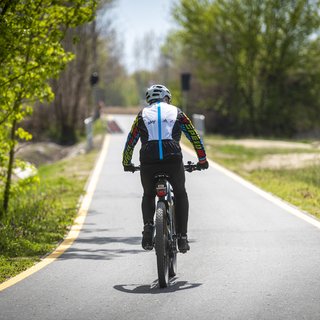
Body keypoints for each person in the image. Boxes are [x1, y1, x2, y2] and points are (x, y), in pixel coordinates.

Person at [122, 84, 208, 253]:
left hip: (148, 160)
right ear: (167, 98)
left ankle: (148, 229)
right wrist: (202, 159)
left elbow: (131, 141)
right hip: (173, 159)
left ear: (149, 101)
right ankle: (182, 238)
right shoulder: (177, 112)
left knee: (148, 194)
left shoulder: (141, 115)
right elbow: (194, 136)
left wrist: (127, 163)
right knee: (180, 193)